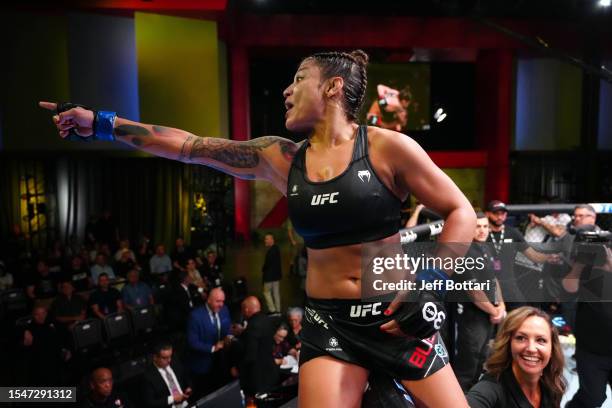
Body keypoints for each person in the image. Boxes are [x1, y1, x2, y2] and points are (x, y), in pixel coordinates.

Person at [41, 48, 475, 407]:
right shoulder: (280, 158)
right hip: (330, 325)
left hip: (394, 316)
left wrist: (431, 282)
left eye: (298, 78)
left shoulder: (387, 148)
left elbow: (461, 211)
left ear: (332, 86)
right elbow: (190, 147)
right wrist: (102, 123)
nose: (286, 90)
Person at [562, 205, 612, 408]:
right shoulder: (579, 249)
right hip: (591, 346)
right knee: (592, 398)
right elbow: (568, 287)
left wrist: (609, 264)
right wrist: (580, 264)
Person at [466, 306, 566, 408]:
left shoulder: (553, 386)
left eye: (541, 340)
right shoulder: (490, 389)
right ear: (508, 344)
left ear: (552, 348)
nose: (531, 348)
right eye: (521, 338)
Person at [452, 212, 506, 392]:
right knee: (467, 364)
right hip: (471, 316)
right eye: (478, 226)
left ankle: (474, 398)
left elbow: (495, 279)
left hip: (489, 315)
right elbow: (473, 291)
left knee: (482, 358)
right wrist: (494, 311)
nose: (482, 230)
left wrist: (501, 305)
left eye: (485, 226)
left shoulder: (487, 248)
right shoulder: (464, 251)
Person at [186, 287, 232, 399]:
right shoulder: (195, 316)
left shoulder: (224, 309)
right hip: (203, 364)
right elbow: (192, 342)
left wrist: (230, 335)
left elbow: (228, 328)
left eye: (223, 301)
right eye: (218, 301)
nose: (221, 304)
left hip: (222, 361)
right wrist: (212, 348)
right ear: (208, 300)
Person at [231, 296, 278, 397]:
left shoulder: (252, 326)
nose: (242, 313)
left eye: (243, 310)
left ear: (246, 309)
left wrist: (238, 368)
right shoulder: (267, 319)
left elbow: (250, 355)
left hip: (258, 377)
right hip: (270, 371)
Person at [141, 342, 192, 408]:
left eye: (170, 356)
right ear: (155, 357)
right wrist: (172, 399)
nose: (169, 360)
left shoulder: (175, 362)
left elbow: (186, 377)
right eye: (164, 358)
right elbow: (150, 402)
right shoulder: (148, 376)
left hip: (186, 404)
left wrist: (189, 387)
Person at [262, 233, 282, 314]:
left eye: (267, 239)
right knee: (276, 293)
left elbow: (267, 265)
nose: (265, 241)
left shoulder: (270, 252)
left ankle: (272, 310)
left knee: (266, 292)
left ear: (272, 240)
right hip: (276, 276)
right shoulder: (276, 249)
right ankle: (278, 310)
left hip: (269, 277)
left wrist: (263, 269)